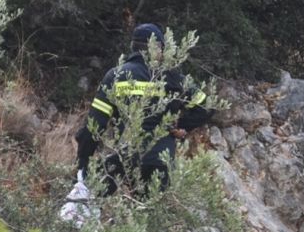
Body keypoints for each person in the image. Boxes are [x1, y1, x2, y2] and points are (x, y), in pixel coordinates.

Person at [74, 23, 211, 197]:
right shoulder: (173, 79)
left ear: (133, 47)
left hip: (125, 158)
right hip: (160, 160)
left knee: (90, 201)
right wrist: (182, 126)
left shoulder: (116, 76)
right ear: (159, 48)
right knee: (147, 215)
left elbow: (94, 126)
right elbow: (206, 106)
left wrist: (82, 165)